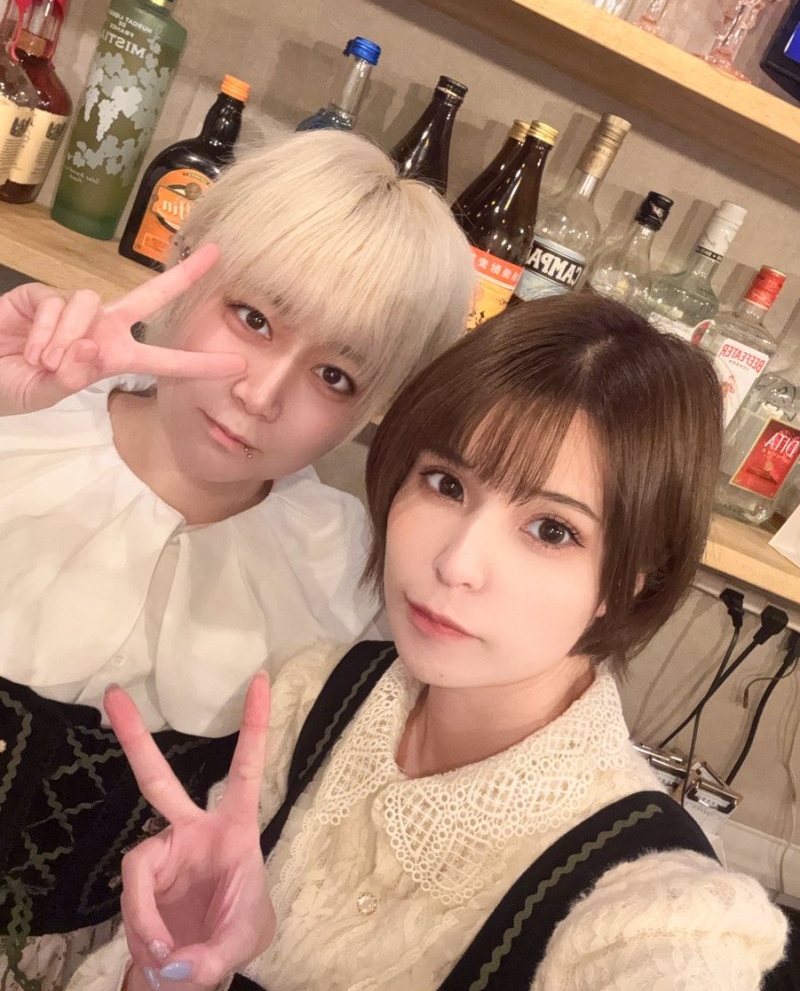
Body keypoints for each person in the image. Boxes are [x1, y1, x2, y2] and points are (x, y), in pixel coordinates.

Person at [68, 295, 787, 991]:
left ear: (627, 583)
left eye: (551, 530)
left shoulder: (655, 910)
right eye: (446, 483)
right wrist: (168, 970)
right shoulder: (317, 692)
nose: (456, 563)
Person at [0, 129, 475, 987]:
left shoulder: (353, 581)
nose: (261, 393)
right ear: (184, 261)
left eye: (335, 376)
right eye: (254, 318)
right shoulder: (17, 421)